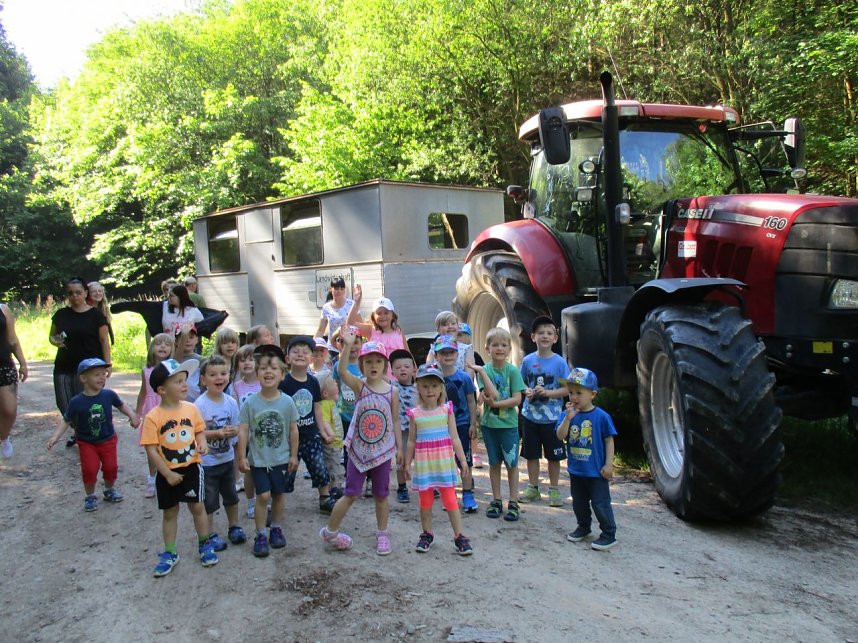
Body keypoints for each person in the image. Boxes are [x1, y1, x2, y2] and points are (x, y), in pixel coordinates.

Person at [320, 331, 402, 554]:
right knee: (351, 494)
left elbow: (395, 419)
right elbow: (341, 371)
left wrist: (399, 449)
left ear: (385, 365)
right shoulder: (360, 386)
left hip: (383, 453)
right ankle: (331, 531)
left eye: (378, 361)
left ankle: (382, 534)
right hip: (359, 452)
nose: (373, 365)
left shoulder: (393, 391)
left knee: (382, 495)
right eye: (368, 362)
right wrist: (346, 347)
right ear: (362, 364)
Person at [140, 358, 216, 576]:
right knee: (170, 512)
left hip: (192, 467)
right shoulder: (153, 417)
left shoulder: (191, 409)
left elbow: (199, 430)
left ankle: (204, 543)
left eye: (185, 380)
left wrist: (201, 442)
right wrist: (166, 473)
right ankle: (170, 552)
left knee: (197, 507)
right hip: (167, 473)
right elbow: (151, 450)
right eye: (178, 382)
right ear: (162, 389)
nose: (185, 385)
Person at [47, 358, 139, 511]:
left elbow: (121, 404)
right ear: (83, 378)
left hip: (108, 440)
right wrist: (55, 436)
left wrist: (133, 415)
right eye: (96, 375)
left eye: (103, 374)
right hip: (87, 443)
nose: (102, 377)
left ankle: (109, 490)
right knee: (90, 469)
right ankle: (90, 496)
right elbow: (66, 420)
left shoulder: (108, 395)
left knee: (111, 468)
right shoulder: (76, 401)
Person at [403, 363, 473, 555]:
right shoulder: (415, 414)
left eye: (434, 386)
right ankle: (426, 534)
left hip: (444, 464)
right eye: (425, 386)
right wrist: (407, 463)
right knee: (425, 502)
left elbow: (455, 437)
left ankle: (460, 536)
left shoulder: (446, 410)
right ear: (418, 388)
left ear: (441, 387)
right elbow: (410, 441)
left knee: (450, 500)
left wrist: (463, 460)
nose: (430, 390)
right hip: (425, 466)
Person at [236, 345, 299, 558]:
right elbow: (243, 430)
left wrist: (293, 455)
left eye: (273, 368)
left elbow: (293, 429)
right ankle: (261, 533)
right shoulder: (250, 403)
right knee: (263, 496)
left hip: (281, 459)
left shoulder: (288, 402)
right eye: (263, 368)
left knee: (279, 495)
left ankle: (277, 528)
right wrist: (242, 456)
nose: (268, 372)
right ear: (257, 372)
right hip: (258, 460)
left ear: (282, 374)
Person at [555, 367, 618, 551]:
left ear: (592, 394)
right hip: (577, 470)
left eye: (579, 393)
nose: (573, 397)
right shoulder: (567, 415)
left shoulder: (601, 417)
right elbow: (560, 436)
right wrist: (567, 419)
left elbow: (609, 440)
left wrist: (608, 464)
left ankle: (608, 533)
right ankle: (583, 526)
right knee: (579, 502)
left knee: (600, 503)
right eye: (571, 392)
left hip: (596, 471)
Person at [49, 277, 112, 447]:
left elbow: (104, 340)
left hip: (89, 367)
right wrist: (55, 341)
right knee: (64, 403)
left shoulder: (96, 315)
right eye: (71, 293)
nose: (75, 296)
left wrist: (108, 363)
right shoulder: (61, 314)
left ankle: (85, 436)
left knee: (86, 402)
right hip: (64, 365)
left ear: (85, 293)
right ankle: (80, 430)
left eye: (78, 292)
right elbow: (52, 336)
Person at [278, 336, 337, 514]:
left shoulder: (313, 382)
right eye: (295, 352)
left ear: (312, 358)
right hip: (289, 437)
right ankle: (276, 502)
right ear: (287, 358)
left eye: (305, 352)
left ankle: (325, 498)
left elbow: (317, 408)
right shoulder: (284, 383)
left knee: (319, 467)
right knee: (285, 472)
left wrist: (324, 429)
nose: (300, 355)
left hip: (311, 434)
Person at [195, 356, 245, 552]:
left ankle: (234, 526)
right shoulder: (199, 405)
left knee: (231, 497)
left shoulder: (231, 402)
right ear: (203, 379)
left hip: (227, 460)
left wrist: (234, 433)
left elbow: (238, 428)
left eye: (223, 374)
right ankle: (210, 535)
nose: (219, 378)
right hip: (207, 464)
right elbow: (196, 433)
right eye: (213, 374)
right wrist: (215, 433)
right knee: (209, 501)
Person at [518, 316, 569, 507]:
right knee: (531, 455)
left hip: (553, 419)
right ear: (533, 337)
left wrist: (548, 392)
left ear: (556, 338)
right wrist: (527, 391)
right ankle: (533, 487)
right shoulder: (527, 361)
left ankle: (554, 490)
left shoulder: (560, 363)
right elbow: (520, 382)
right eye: (541, 333)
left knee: (553, 456)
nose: (545, 336)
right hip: (530, 417)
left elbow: (567, 390)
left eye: (549, 333)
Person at [478, 327, 525, 521]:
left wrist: (495, 403)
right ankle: (496, 499)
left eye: (504, 345)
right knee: (494, 463)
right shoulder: (485, 370)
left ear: (509, 349)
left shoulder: (513, 371)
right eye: (495, 345)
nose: (499, 348)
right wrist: (486, 397)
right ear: (487, 348)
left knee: (512, 464)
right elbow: (486, 393)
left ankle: (513, 501)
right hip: (489, 425)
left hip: (508, 425)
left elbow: (517, 400)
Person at [433, 336, 481, 513]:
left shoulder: (464, 377)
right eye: (443, 352)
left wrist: (473, 423)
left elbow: (471, 401)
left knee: (465, 461)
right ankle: (449, 494)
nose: (447, 356)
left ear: (457, 353)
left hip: (461, 425)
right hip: (440, 427)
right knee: (444, 462)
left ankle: (468, 494)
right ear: (436, 355)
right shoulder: (433, 378)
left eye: (451, 352)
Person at [135, 333, 175, 497]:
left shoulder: (174, 368)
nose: (163, 347)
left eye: (167, 344)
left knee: (170, 444)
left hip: (169, 410)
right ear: (152, 348)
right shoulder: (146, 370)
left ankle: (170, 476)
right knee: (151, 446)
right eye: (159, 344)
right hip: (151, 411)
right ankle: (152, 478)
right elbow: (143, 393)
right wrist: (137, 413)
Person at [346, 287, 407, 373]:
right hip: (378, 377)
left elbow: (407, 353)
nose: (383, 316)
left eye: (386, 313)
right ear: (373, 316)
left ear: (392, 315)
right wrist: (357, 302)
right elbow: (350, 323)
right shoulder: (371, 330)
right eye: (379, 313)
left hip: (398, 376)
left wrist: (413, 369)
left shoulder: (398, 332)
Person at [232, 343, 261, 516]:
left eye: (251, 359)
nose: (247, 363)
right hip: (246, 435)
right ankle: (251, 502)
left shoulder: (264, 383)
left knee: (265, 469)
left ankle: (266, 500)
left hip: (262, 435)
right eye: (242, 360)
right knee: (249, 471)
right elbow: (235, 410)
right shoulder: (236, 387)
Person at [389, 349, 417, 503]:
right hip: (401, 431)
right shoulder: (391, 386)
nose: (403, 370)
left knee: (424, 459)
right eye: (398, 368)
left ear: (414, 370)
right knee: (401, 459)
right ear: (392, 372)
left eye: (406, 366)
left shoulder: (420, 387)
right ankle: (402, 487)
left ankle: (429, 485)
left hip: (418, 430)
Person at [0, 303, 27, 458]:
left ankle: (3, 437)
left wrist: (22, 363)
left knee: (9, 410)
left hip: (3, 365)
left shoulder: (3, 309)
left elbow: (12, 339)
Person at [456, 322, 483, 468]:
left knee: (472, 423)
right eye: (458, 335)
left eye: (462, 335)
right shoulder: (451, 352)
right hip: (456, 392)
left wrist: (482, 392)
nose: (459, 338)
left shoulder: (473, 354)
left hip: (470, 391)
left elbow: (481, 373)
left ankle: (474, 452)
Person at [316, 371, 344, 497]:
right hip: (331, 444)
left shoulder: (331, 403)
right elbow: (324, 421)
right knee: (332, 466)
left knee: (335, 465)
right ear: (325, 393)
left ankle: (334, 488)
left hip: (336, 444)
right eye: (333, 382)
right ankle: (333, 490)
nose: (336, 383)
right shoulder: (325, 404)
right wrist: (330, 434)